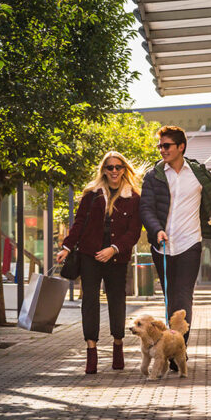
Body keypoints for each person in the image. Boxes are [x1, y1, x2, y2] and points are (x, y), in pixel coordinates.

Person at [140, 125, 211, 370]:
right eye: (160, 146)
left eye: (167, 146)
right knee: (171, 299)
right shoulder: (154, 175)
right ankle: (172, 347)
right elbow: (147, 209)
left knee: (183, 299)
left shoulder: (198, 174)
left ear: (181, 147)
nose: (162, 150)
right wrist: (155, 230)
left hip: (190, 243)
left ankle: (178, 351)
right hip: (162, 246)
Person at [56, 151, 142, 374]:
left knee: (117, 302)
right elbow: (79, 223)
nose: (114, 171)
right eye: (110, 167)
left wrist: (113, 250)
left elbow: (133, 233)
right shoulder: (91, 195)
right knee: (90, 303)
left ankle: (118, 345)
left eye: (118, 167)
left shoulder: (133, 198)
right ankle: (91, 352)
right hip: (89, 256)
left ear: (125, 169)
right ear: (103, 170)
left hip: (117, 258)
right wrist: (66, 247)